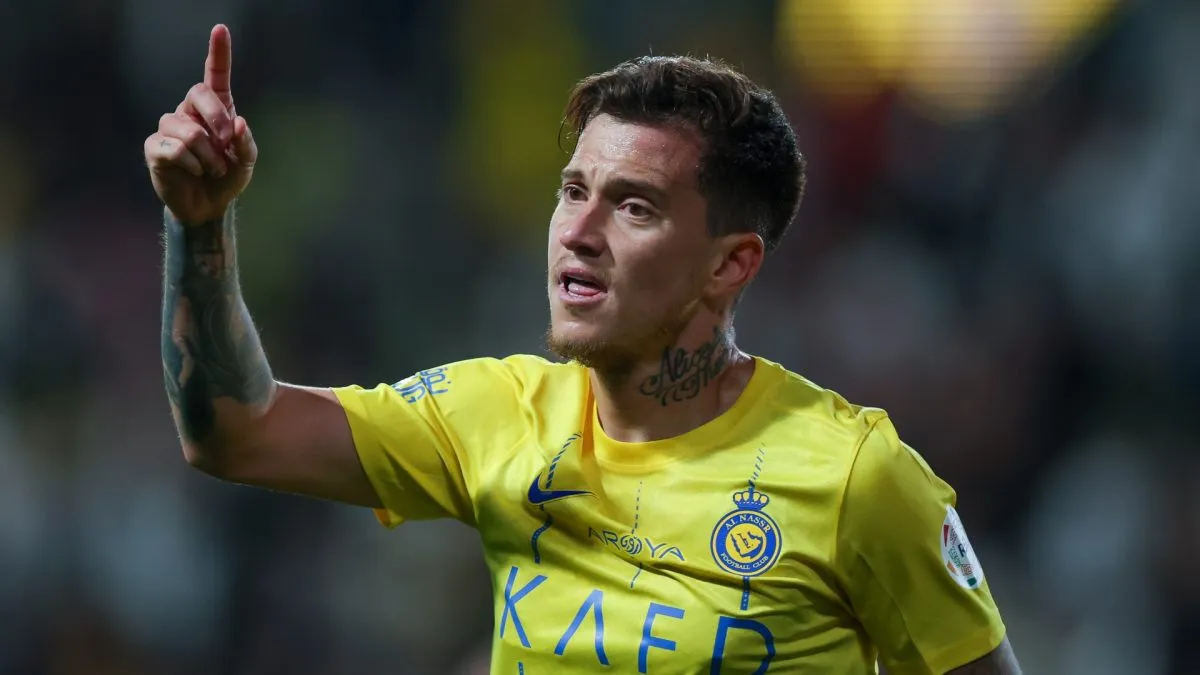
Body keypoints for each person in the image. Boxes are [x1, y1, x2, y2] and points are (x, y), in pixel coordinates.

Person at [145, 24, 1021, 675]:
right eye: (574, 191)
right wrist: (200, 222)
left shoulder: (856, 477)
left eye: (634, 206)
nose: (580, 233)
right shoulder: (495, 415)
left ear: (729, 265)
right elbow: (233, 430)